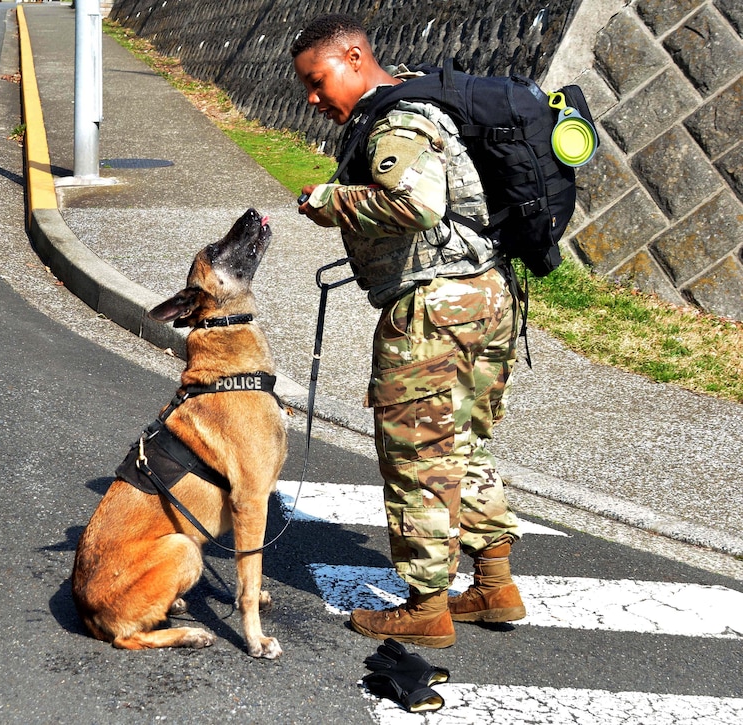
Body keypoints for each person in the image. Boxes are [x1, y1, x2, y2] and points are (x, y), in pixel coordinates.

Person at [291, 13, 526, 648]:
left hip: (432, 310)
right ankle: (494, 585)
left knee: (419, 454)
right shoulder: (421, 102)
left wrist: (327, 201)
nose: (314, 99)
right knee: (466, 441)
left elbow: (414, 204)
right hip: (485, 296)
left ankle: (426, 606)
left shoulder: (396, 120)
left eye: (319, 81)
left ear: (354, 56)